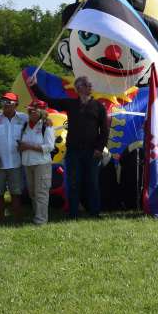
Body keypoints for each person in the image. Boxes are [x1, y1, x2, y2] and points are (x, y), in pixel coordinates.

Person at [28, 74, 108, 218]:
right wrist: (34, 86)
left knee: (93, 183)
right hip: (73, 151)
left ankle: (94, 213)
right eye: (87, 85)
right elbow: (49, 101)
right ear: (79, 88)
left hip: (92, 152)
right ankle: (73, 213)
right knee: (73, 182)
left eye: (90, 85)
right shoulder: (70, 104)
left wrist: (99, 149)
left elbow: (105, 130)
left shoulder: (99, 106)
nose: (91, 87)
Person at [0, 92, 27, 222]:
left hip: (16, 163)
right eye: (3, 102)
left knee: (16, 193)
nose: (5, 105)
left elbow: (38, 122)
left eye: (9, 102)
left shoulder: (24, 118)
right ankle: (1, 218)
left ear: (16, 105)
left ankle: (17, 219)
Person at [19, 100, 56, 225]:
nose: (30, 112)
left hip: (42, 163)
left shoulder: (47, 125)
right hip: (28, 163)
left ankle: (40, 220)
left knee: (41, 192)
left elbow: (50, 147)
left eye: (33, 110)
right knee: (32, 192)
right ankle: (37, 215)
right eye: (29, 110)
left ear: (41, 112)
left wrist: (29, 146)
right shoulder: (25, 125)